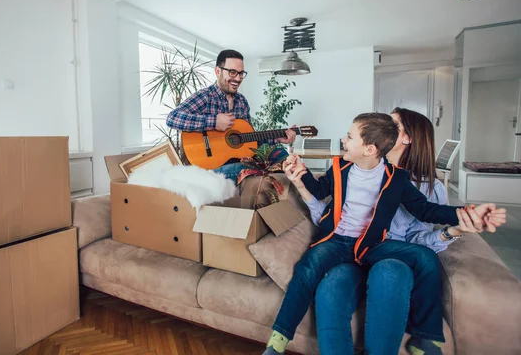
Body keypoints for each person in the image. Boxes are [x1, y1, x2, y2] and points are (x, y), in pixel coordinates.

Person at [262, 112, 506, 355]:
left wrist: (467, 214)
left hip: (372, 245)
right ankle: (279, 338)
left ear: (370, 148)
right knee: (308, 268)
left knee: (425, 258)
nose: (343, 141)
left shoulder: (397, 179)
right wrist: (301, 175)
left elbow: (426, 210)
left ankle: (426, 338)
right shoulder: (340, 168)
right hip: (337, 242)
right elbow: (319, 191)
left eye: (349, 136)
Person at [166, 49, 295, 180]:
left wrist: (276, 139)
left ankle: (312, 195)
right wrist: (214, 122)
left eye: (241, 73)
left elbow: (248, 141)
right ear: (218, 71)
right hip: (208, 168)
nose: (238, 78)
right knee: (246, 169)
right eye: (233, 72)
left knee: (283, 155)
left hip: (234, 162)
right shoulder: (205, 97)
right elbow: (172, 118)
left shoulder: (242, 102)